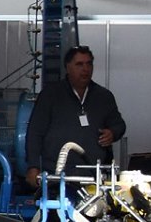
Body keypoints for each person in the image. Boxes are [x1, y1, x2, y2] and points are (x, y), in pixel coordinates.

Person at [24, 46, 126, 189]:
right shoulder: (51, 95)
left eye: (89, 64)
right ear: (68, 67)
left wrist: (112, 133)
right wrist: (33, 166)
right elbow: (35, 132)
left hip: (93, 175)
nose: (85, 69)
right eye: (79, 64)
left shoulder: (104, 96)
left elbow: (119, 125)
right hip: (56, 175)